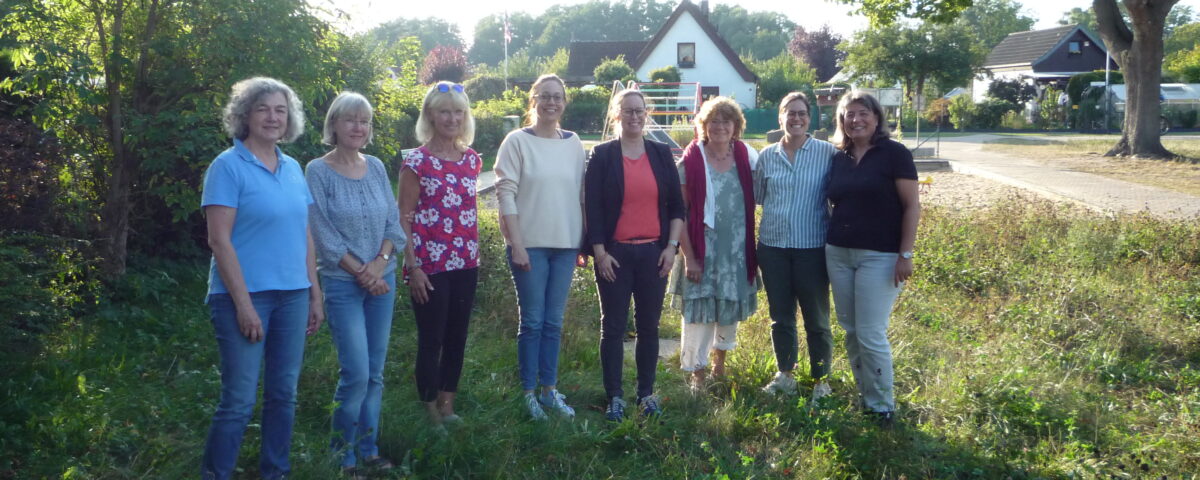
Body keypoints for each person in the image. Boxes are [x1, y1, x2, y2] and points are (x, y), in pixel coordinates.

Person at [200, 77, 323, 480]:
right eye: (263, 109)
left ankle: (275, 472)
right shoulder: (227, 167)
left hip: (293, 296)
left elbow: (304, 233)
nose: (273, 117)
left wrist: (314, 293)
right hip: (242, 298)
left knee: (283, 395)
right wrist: (244, 305)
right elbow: (219, 241)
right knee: (238, 399)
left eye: (281, 110)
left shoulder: (292, 168)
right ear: (245, 116)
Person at [305, 91, 404, 477]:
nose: (358, 127)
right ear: (333, 125)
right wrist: (363, 273)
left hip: (383, 280)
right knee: (356, 373)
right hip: (343, 284)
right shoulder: (317, 170)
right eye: (350, 120)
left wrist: (379, 265)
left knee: (376, 372)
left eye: (364, 121)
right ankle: (342, 454)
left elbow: (393, 224)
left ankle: (369, 448)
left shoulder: (377, 166)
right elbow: (323, 235)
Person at [584, 89, 685, 421]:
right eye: (627, 111)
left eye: (639, 111)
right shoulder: (602, 155)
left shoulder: (660, 153)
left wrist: (671, 248)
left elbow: (676, 207)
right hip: (613, 256)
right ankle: (614, 396)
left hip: (653, 254)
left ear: (647, 114)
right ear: (616, 115)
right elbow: (593, 208)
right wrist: (599, 252)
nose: (633, 116)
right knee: (612, 328)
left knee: (649, 327)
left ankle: (646, 393)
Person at [494, 74, 587, 420]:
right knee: (532, 322)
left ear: (564, 103)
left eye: (557, 97)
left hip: (565, 246)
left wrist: (583, 242)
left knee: (553, 323)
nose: (551, 103)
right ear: (533, 101)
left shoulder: (574, 142)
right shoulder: (516, 142)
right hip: (529, 246)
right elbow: (506, 195)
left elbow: (580, 194)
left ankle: (549, 389)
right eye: (545, 96)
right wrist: (515, 243)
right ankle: (528, 393)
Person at [826, 91, 920, 428]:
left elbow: (912, 206)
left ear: (876, 118)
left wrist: (905, 254)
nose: (856, 120)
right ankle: (864, 394)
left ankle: (882, 406)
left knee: (870, 332)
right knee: (850, 330)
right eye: (848, 115)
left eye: (862, 113)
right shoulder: (839, 157)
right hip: (838, 253)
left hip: (879, 256)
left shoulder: (894, 154)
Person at [398, 81, 482, 430]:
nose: (452, 118)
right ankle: (430, 410)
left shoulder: (472, 160)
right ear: (430, 115)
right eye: (445, 111)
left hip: (466, 261)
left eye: (458, 111)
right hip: (429, 266)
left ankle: (449, 404)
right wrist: (412, 267)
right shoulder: (416, 162)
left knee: (457, 337)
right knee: (432, 339)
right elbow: (403, 218)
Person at [671, 96, 759, 392]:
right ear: (704, 127)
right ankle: (696, 373)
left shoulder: (748, 157)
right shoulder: (691, 161)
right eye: (714, 121)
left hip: (734, 252)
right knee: (698, 314)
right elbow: (679, 213)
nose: (720, 126)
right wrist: (691, 257)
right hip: (701, 250)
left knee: (727, 309)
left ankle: (719, 366)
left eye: (726, 121)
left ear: (736, 127)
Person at [755, 92, 837, 400]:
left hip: (811, 248)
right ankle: (785, 375)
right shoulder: (766, 157)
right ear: (781, 117)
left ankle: (821, 381)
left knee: (816, 318)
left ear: (809, 117)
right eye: (790, 113)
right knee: (781, 316)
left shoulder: (826, 154)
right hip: (773, 248)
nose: (797, 118)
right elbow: (761, 197)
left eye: (802, 113)